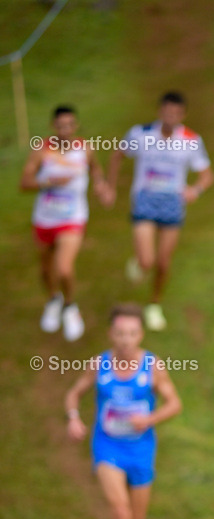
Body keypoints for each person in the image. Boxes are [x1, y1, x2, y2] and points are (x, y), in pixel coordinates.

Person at [65, 302, 182, 519]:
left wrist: (149, 420)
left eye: (131, 333)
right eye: (120, 333)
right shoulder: (100, 364)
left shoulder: (152, 366)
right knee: (120, 511)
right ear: (111, 334)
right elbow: (74, 393)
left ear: (140, 334)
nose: (125, 340)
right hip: (108, 447)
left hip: (141, 450)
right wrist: (74, 417)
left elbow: (174, 404)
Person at [107, 91, 214, 332]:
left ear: (183, 115)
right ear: (160, 111)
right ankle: (141, 263)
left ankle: (154, 304)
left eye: (176, 113)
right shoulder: (141, 133)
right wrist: (110, 188)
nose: (171, 116)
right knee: (148, 260)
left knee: (164, 263)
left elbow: (207, 175)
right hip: (144, 200)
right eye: (167, 111)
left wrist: (195, 190)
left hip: (172, 204)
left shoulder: (190, 139)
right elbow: (117, 156)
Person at [20, 105, 113, 342]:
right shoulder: (42, 150)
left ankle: (70, 307)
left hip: (72, 218)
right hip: (44, 219)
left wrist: (101, 186)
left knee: (64, 268)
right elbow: (25, 183)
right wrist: (49, 182)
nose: (65, 130)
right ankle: (53, 300)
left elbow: (95, 169)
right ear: (54, 126)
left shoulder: (85, 149)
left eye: (69, 125)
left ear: (75, 126)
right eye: (60, 126)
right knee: (45, 269)